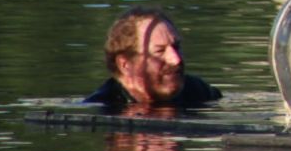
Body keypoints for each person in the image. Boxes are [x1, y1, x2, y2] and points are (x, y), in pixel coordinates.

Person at [86, 6, 221, 108]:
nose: (176, 60)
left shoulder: (199, 92)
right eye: (160, 51)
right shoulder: (102, 109)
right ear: (125, 65)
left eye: (176, 47)